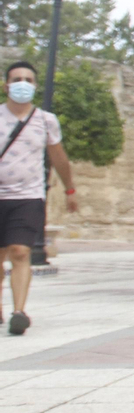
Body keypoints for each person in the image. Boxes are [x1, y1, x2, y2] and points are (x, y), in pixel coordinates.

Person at [0, 61, 78, 335]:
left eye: (28, 79)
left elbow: (58, 157)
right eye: (17, 78)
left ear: (34, 85)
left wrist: (70, 189)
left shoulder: (45, 120)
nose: (23, 83)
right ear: (6, 85)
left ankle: (19, 312)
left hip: (28, 197)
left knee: (21, 252)